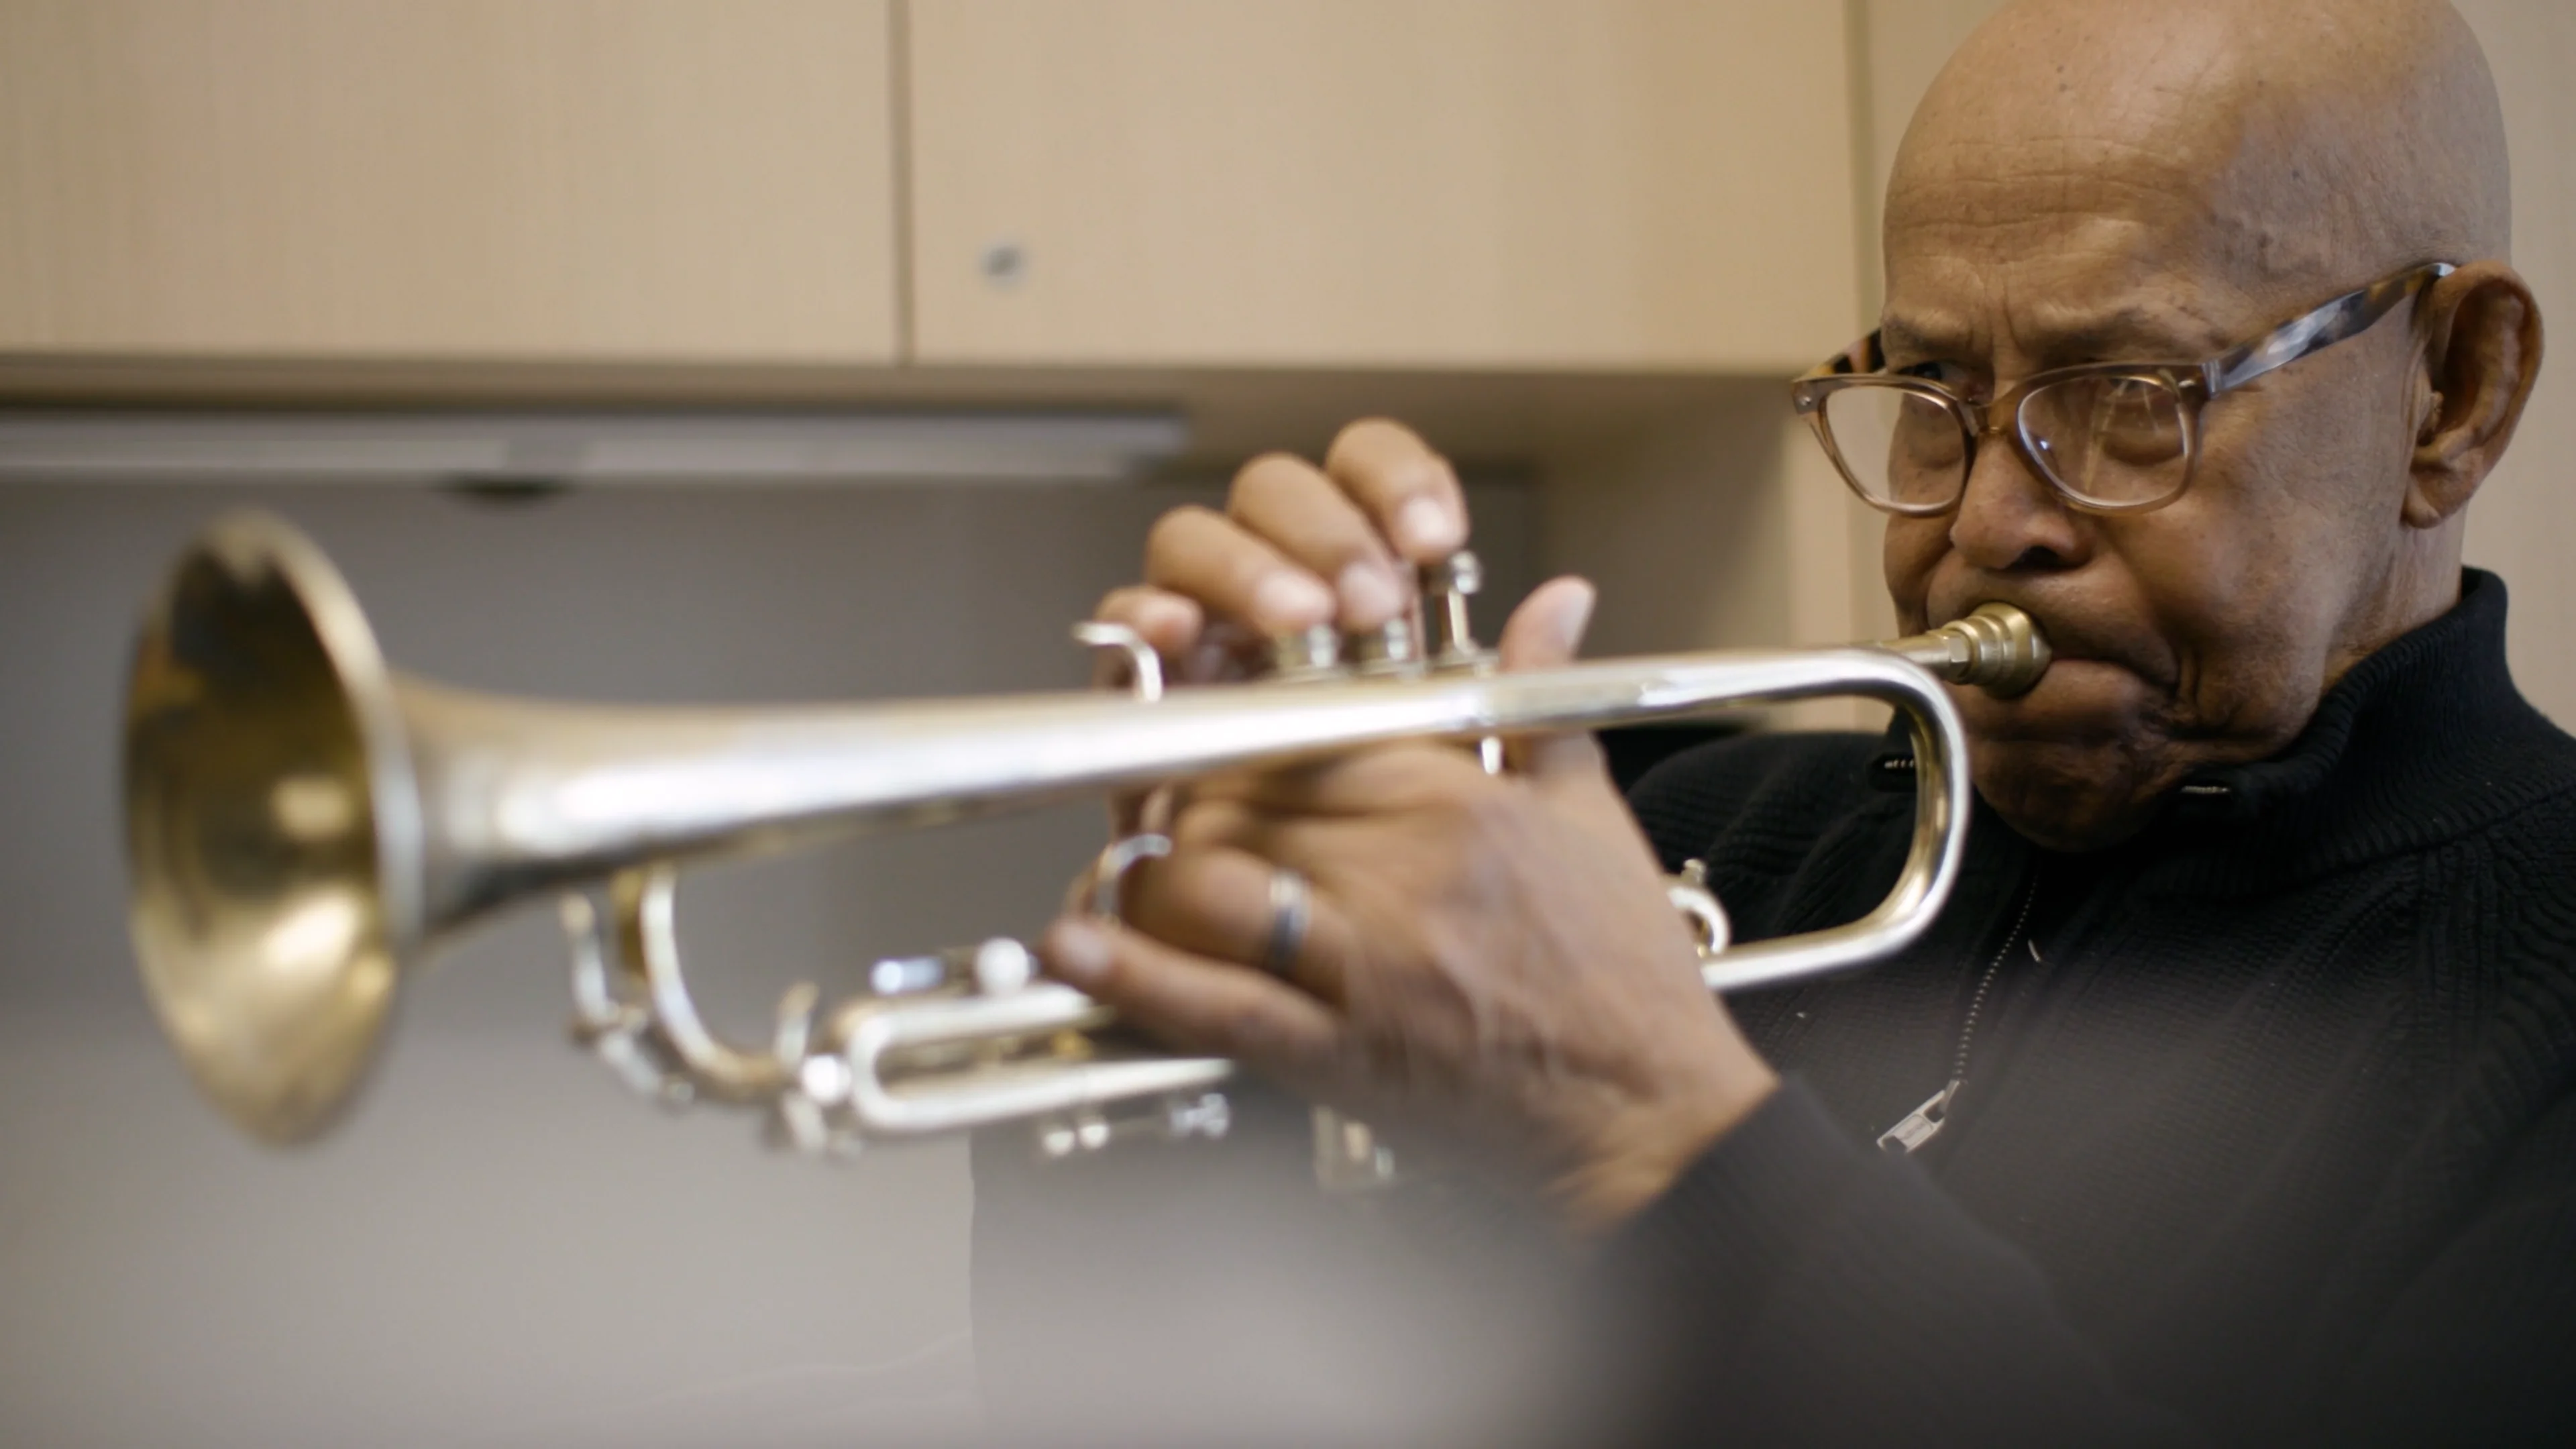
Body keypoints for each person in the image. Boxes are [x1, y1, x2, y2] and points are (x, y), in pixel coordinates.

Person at [1001, 0, 2575, 1442]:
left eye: (2129, 394)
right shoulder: (1680, 838)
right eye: (1934, 392)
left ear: (2454, 394)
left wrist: (1659, 1133)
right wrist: (1197, 969)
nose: (1987, 522)